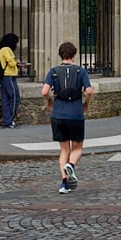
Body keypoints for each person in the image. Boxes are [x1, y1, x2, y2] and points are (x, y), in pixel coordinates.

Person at [41, 41, 93, 194]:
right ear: (74, 55)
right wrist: (86, 104)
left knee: (64, 149)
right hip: (75, 114)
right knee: (77, 147)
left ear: (60, 55)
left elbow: (44, 91)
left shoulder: (53, 71)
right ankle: (71, 165)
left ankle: (64, 183)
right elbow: (89, 91)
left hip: (58, 114)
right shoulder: (80, 71)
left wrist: (50, 101)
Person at [0, 32, 29, 128]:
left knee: (5, 99)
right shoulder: (6, 49)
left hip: (5, 76)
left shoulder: (3, 49)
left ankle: (6, 121)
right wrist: (17, 61)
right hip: (8, 76)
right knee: (15, 97)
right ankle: (10, 120)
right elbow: (11, 63)